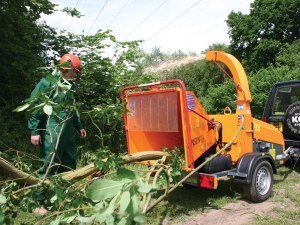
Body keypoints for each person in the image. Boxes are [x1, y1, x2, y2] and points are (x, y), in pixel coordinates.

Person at [28, 53, 87, 216]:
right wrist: (34, 131)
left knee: (68, 164)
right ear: (65, 67)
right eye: (73, 71)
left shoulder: (70, 86)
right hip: (52, 130)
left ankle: (61, 199)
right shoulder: (47, 82)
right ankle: (37, 202)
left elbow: (72, 109)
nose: (74, 74)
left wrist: (78, 125)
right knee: (49, 163)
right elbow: (35, 105)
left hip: (67, 131)